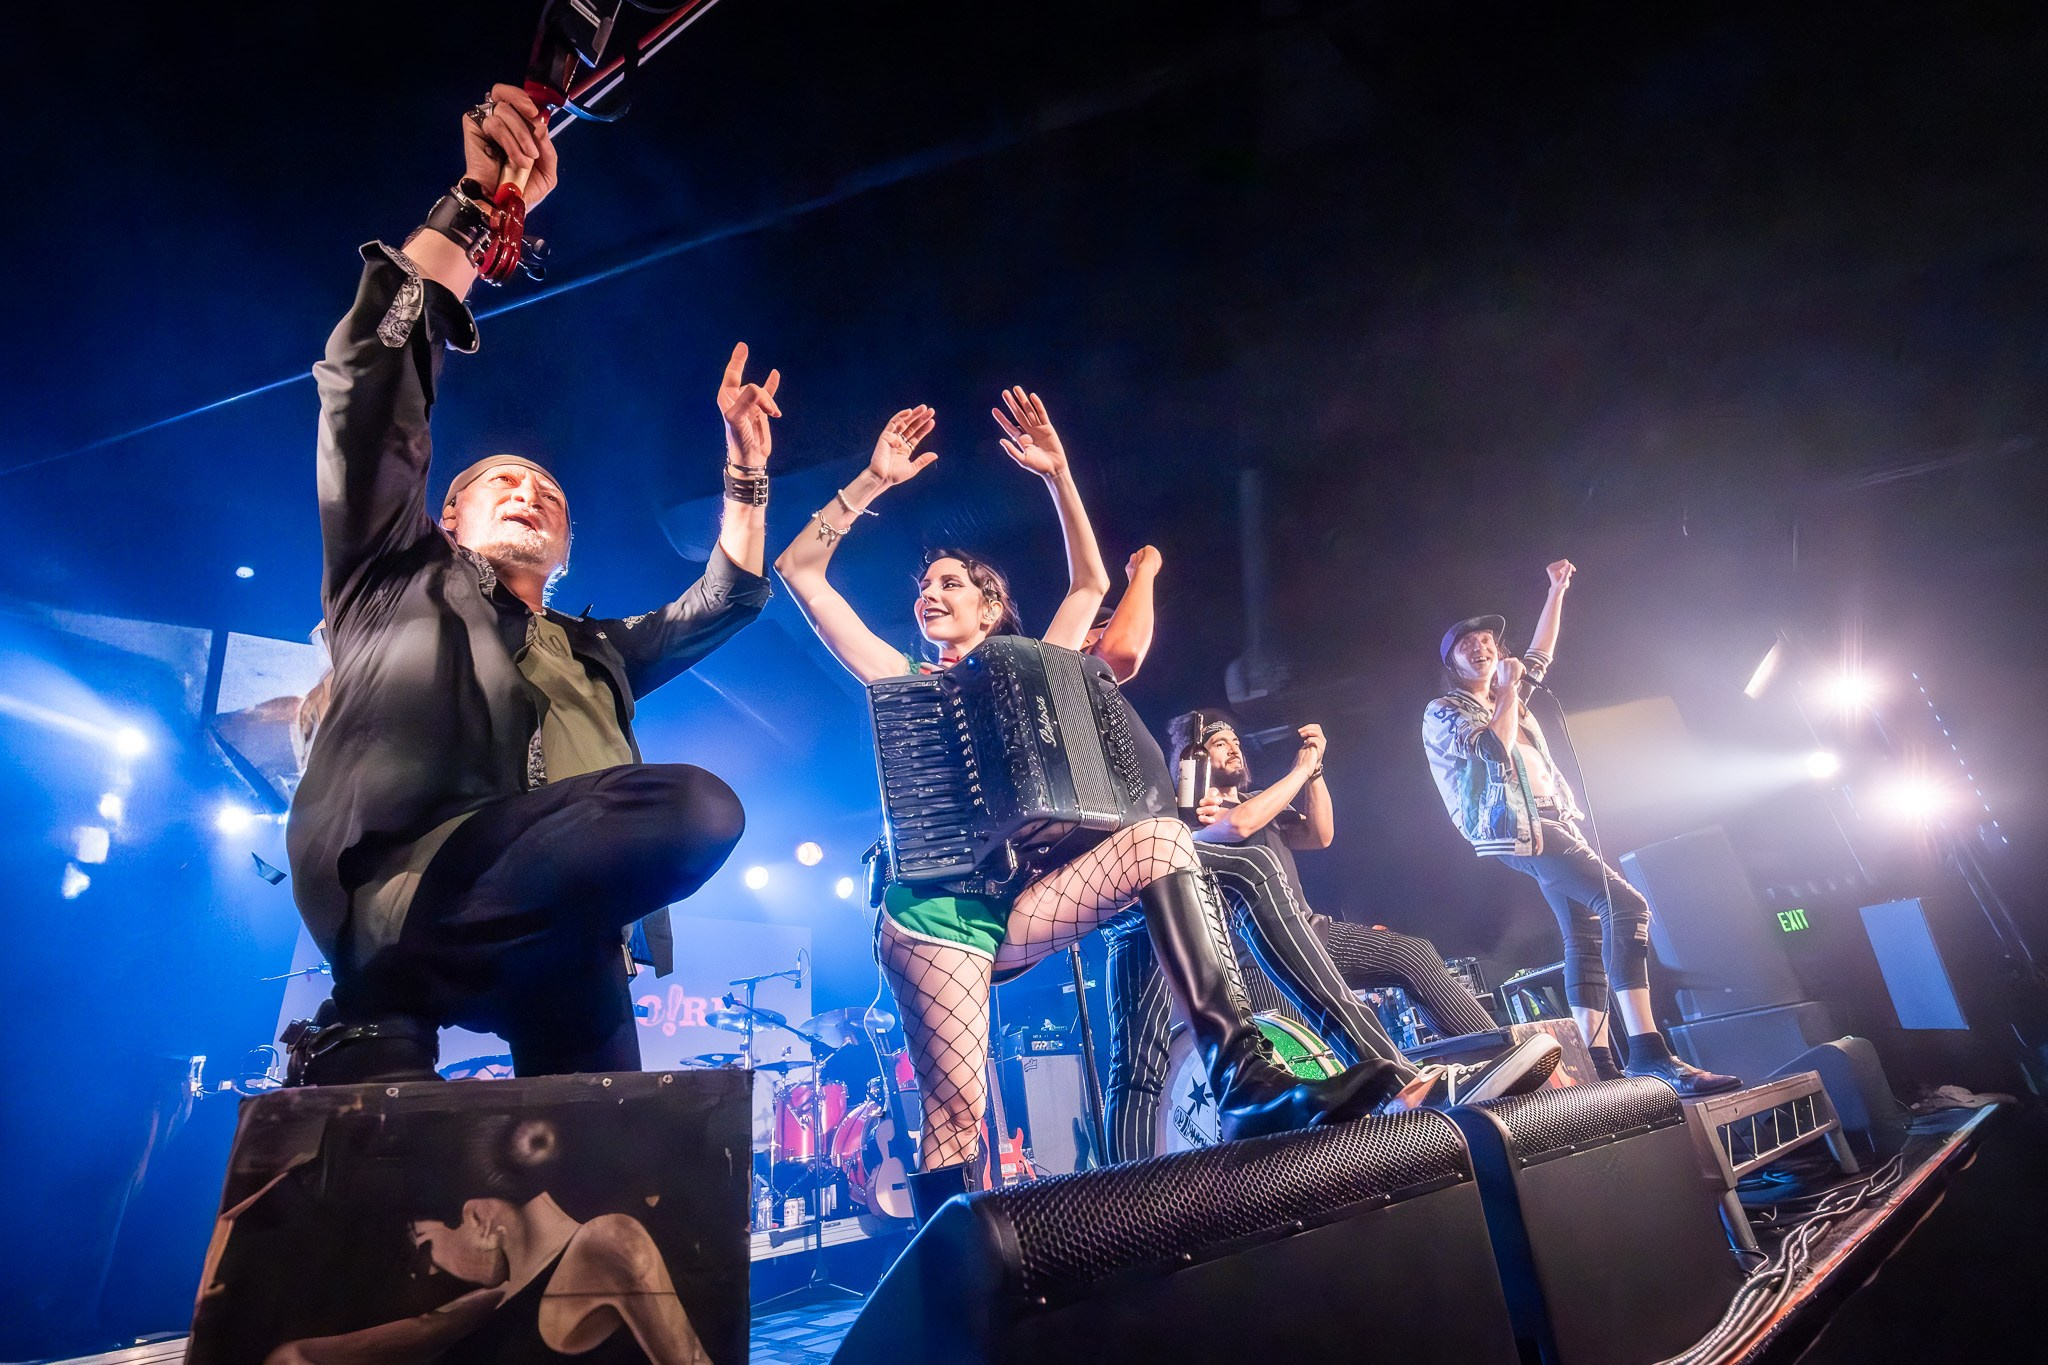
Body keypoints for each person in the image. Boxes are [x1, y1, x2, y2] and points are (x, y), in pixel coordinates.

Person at [773, 389, 1391, 1219]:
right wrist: (869, 484)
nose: (931, 591)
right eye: (924, 584)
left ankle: (1244, 1077)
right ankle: (952, 1295)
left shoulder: (1036, 666)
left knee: (1159, 841)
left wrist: (1060, 475)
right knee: (959, 1116)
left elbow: (1091, 580)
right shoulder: (903, 678)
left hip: (1018, 905)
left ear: (990, 607)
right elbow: (799, 572)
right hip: (934, 913)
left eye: (950, 582)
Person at [286, 84, 777, 1084]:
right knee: (695, 808)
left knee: (603, 1194)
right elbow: (368, 385)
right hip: (417, 891)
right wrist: (475, 202)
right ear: (443, 519)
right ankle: (371, 1019)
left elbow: (719, 599)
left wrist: (745, 471)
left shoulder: (594, 652)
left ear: (565, 548)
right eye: (497, 482)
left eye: (545, 490)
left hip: (560, 933)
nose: (524, 489)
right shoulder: (393, 572)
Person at [1103, 707, 1558, 1161]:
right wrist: (1300, 771)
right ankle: (1349, 1154)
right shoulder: (1192, 810)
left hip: (1312, 929)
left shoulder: (1266, 799)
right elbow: (1238, 824)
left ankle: (1496, 1063)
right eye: (1220, 744)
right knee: (1303, 1056)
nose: (1234, 748)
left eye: (1236, 741)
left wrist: (1315, 770)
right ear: (1193, 758)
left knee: (1414, 955)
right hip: (1256, 956)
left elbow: (1319, 835)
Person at [1423, 560, 1740, 1096]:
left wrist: (1555, 589)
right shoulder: (1445, 709)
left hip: (1555, 819)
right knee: (1629, 906)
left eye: (1488, 640)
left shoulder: (1512, 695)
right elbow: (1493, 751)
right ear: (1453, 663)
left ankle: (1601, 1063)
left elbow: (1542, 651)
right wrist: (1505, 694)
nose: (1482, 647)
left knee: (1585, 935)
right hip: (1520, 829)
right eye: (1468, 643)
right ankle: (1648, 1052)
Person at [262, 1117, 710, 1365]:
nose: (432, 1271)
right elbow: (295, 1356)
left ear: (476, 1216)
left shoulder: (606, 1240)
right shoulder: (489, 1302)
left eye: (424, 1251)